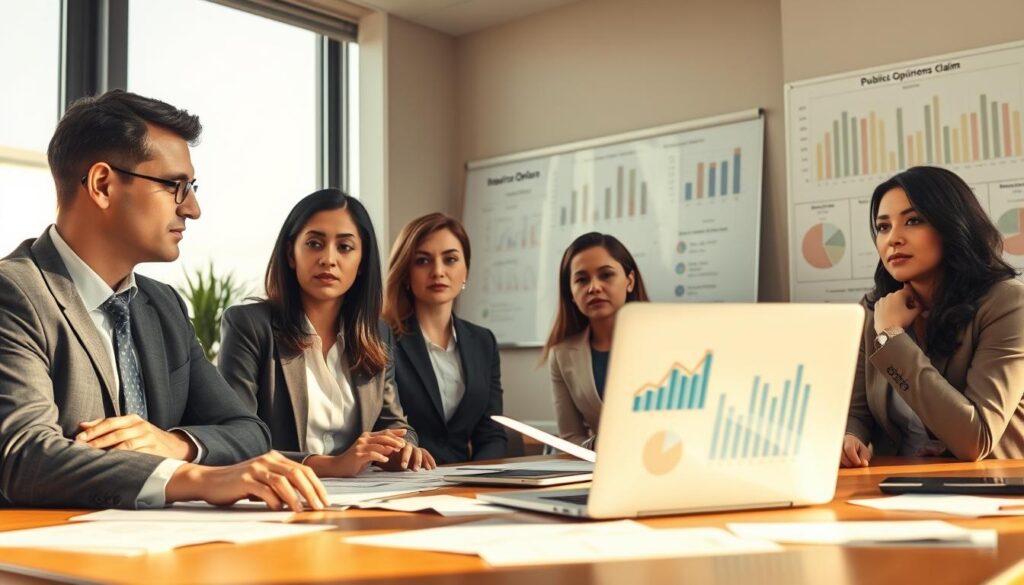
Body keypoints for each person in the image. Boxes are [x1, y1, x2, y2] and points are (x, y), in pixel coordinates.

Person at [0, 90, 327, 511]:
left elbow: (248, 429)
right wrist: (194, 478)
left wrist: (177, 445)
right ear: (103, 184)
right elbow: (25, 457)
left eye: (191, 187)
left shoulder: (164, 305)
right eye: (176, 186)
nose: (193, 208)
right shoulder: (16, 293)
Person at [218, 190, 436, 476]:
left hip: (363, 497)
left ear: (362, 261)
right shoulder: (248, 325)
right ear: (291, 254)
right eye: (314, 243)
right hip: (279, 495)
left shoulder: (376, 333)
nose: (328, 259)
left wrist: (403, 448)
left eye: (345, 247)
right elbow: (235, 438)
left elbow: (392, 423)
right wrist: (331, 465)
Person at [842, 166, 1024, 467]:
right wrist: (849, 437)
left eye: (913, 221)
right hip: (895, 485)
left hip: (989, 490)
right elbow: (857, 412)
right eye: (883, 227)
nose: (893, 239)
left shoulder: (1008, 304)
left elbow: (974, 440)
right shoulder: (874, 307)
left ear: (952, 226)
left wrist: (891, 337)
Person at [382, 213, 507, 464]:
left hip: (466, 482)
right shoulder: (382, 337)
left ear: (466, 271)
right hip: (404, 479)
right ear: (406, 272)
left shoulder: (484, 342)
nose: (438, 271)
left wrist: (479, 478)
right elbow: (382, 425)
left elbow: (492, 433)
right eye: (422, 261)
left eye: (450, 260)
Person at [541, 232, 650, 448]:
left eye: (606, 275)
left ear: (629, 281)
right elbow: (571, 437)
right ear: (571, 293)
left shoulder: (663, 339)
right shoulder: (561, 355)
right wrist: (600, 446)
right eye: (581, 280)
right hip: (602, 471)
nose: (594, 287)